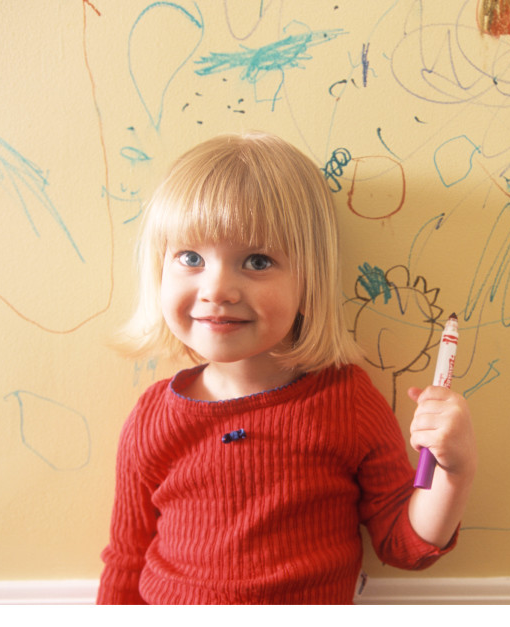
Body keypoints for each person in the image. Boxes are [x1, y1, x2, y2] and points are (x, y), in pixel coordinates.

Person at [96, 132, 476, 604]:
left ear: (309, 279)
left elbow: (403, 544)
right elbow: (127, 559)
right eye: (190, 257)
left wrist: (453, 471)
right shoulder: (152, 418)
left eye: (257, 260)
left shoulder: (346, 401)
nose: (217, 289)